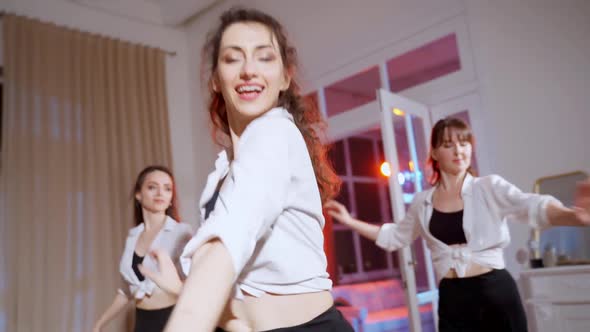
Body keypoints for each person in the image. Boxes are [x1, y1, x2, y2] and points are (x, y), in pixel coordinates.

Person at [142, 7, 354, 332]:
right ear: (215, 79)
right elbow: (238, 284)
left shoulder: (275, 133)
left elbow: (225, 244)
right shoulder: (224, 169)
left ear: (285, 76)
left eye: (264, 57)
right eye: (232, 58)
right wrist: (182, 289)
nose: (249, 70)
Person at [325, 117, 590, 332]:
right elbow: (396, 236)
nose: (459, 150)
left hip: (494, 292)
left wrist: (572, 216)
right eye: (449, 144)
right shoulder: (422, 202)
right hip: (452, 298)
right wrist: (349, 221)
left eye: (464, 143)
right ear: (434, 152)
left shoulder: (489, 187)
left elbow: (533, 206)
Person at [92, 165, 192, 332]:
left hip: (172, 318)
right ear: (138, 194)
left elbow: (194, 283)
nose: (161, 193)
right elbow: (126, 290)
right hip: (142, 321)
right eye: (153, 187)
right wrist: (99, 323)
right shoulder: (133, 236)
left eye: (167, 189)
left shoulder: (181, 232)